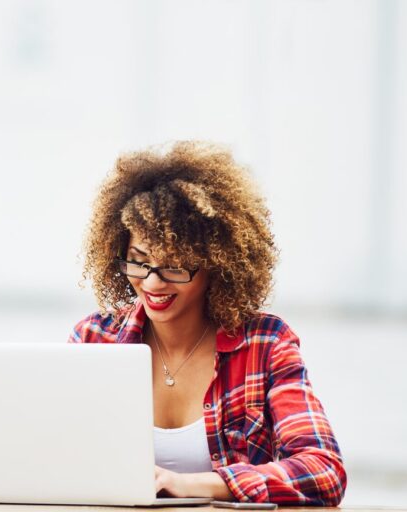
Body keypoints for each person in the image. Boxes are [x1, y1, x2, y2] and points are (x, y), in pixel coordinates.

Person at [68, 141, 346, 505]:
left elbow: (324, 471)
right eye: (139, 260)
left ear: (217, 264)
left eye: (175, 266)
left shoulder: (265, 345)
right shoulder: (93, 339)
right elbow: (59, 456)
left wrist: (199, 484)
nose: (152, 282)